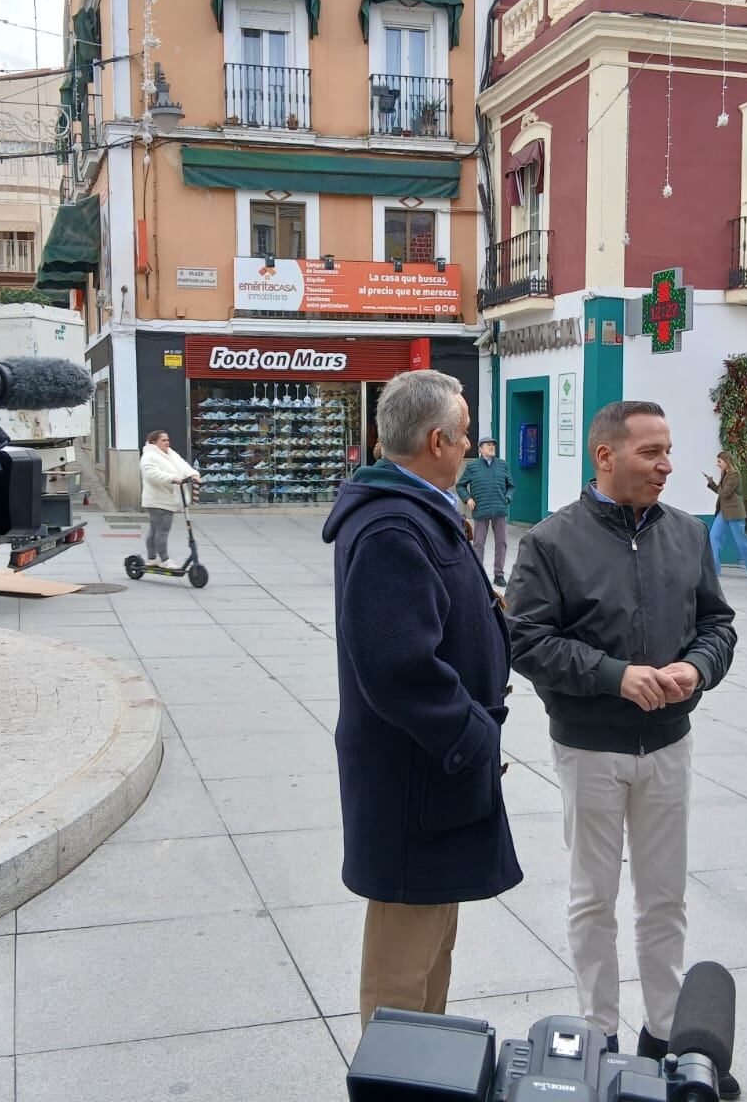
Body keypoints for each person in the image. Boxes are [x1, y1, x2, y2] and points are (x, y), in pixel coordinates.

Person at [506, 401, 740, 1096]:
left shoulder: (688, 534)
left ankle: (664, 1034)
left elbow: (719, 624)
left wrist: (697, 667)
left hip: (670, 744)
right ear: (605, 457)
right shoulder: (550, 542)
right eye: (651, 452)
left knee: (665, 897)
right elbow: (527, 641)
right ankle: (597, 1032)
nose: (667, 464)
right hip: (590, 749)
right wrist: (615, 677)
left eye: (668, 450)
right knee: (593, 897)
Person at [321, 370, 521, 1024]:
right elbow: (398, 667)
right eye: (463, 437)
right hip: (418, 781)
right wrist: (473, 737)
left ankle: (425, 1081)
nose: (468, 447)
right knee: (401, 982)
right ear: (437, 440)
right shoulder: (392, 528)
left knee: (433, 954)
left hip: (436, 776)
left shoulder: (416, 513)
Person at [458, 437, 516, 586]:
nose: (491, 447)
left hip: (499, 510)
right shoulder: (472, 466)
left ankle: (499, 574)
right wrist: (468, 498)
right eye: (488, 445)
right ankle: (479, 575)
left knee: (501, 543)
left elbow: (511, 486)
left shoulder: (503, 465)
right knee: (478, 544)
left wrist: (507, 498)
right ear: (480, 449)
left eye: (493, 446)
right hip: (480, 510)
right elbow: (461, 485)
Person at [139, 429, 200, 569]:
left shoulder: (170, 453)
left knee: (155, 531)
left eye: (167, 439)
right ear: (154, 442)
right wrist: (172, 478)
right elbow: (151, 474)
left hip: (168, 499)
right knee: (162, 531)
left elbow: (183, 465)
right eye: (163, 440)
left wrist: (193, 474)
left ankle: (152, 558)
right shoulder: (149, 456)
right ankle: (164, 560)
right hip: (158, 500)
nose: (167, 442)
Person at [704, 450, 747, 579]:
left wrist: (717, 486)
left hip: (734, 512)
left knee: (742, 541)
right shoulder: (726, 474)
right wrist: (711, 483)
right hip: (723, 511)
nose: (718, 464)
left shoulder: (734, 475)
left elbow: (725, 493)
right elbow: (722, 492)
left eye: (719, 462)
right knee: (713, 538)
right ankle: (713, 570)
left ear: (727, 461)